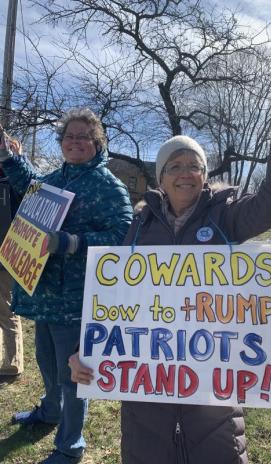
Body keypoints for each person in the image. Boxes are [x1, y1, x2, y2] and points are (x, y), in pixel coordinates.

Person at [69, 67, 271, 464]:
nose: (185, 173)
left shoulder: (226, 217)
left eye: (194, 166)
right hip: (146, 401)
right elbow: (111, 301)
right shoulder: (138, 227)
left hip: (213, 401)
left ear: (205, 175)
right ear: (161, 178)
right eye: (174, 166)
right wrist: (84, 351)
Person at [0, 108, 133, 464]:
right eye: (69, 136)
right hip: (44, 293)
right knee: (46, 361)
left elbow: (121, 236)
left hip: (78, 298)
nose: (74, 142)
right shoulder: (57, 177)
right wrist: (7, 156)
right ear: (61, 143)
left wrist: (69, 242)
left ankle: (70, 446)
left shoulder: (108, 185)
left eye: (83, 137)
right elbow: (30, 186)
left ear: (97, 143)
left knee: (73, 375)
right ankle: (50, 411)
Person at [0, 137, 24, 387]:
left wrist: (17, 158)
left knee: (7, 310)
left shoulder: (14, 182)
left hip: (7, 255)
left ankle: (13, 362)